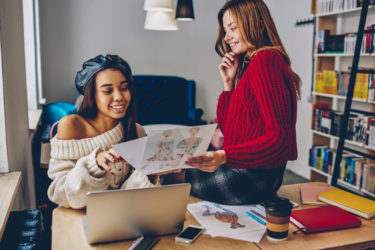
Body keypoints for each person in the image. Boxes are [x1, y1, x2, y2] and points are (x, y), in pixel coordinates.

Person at [184, 0, 301, 205]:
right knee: (177, 169)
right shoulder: (252, 64)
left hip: (251, 178)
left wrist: (224, 156)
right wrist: (228, 83)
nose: (227, 37)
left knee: (172, 175)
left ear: (257, 24)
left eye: (232, 28)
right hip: (253, 174)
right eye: (225, 30)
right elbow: (229, 131)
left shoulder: (266, 61)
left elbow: (279, 140)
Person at [47, 55, 169, 209]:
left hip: (122, 218)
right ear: (92, 94)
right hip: (77, 219)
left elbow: (128, 196)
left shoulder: (136, 130)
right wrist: (95, 164)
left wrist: (151, 172)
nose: (119, 97)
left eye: (124, 88)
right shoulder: (71, 125)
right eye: (107, 91)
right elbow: (59, 194)